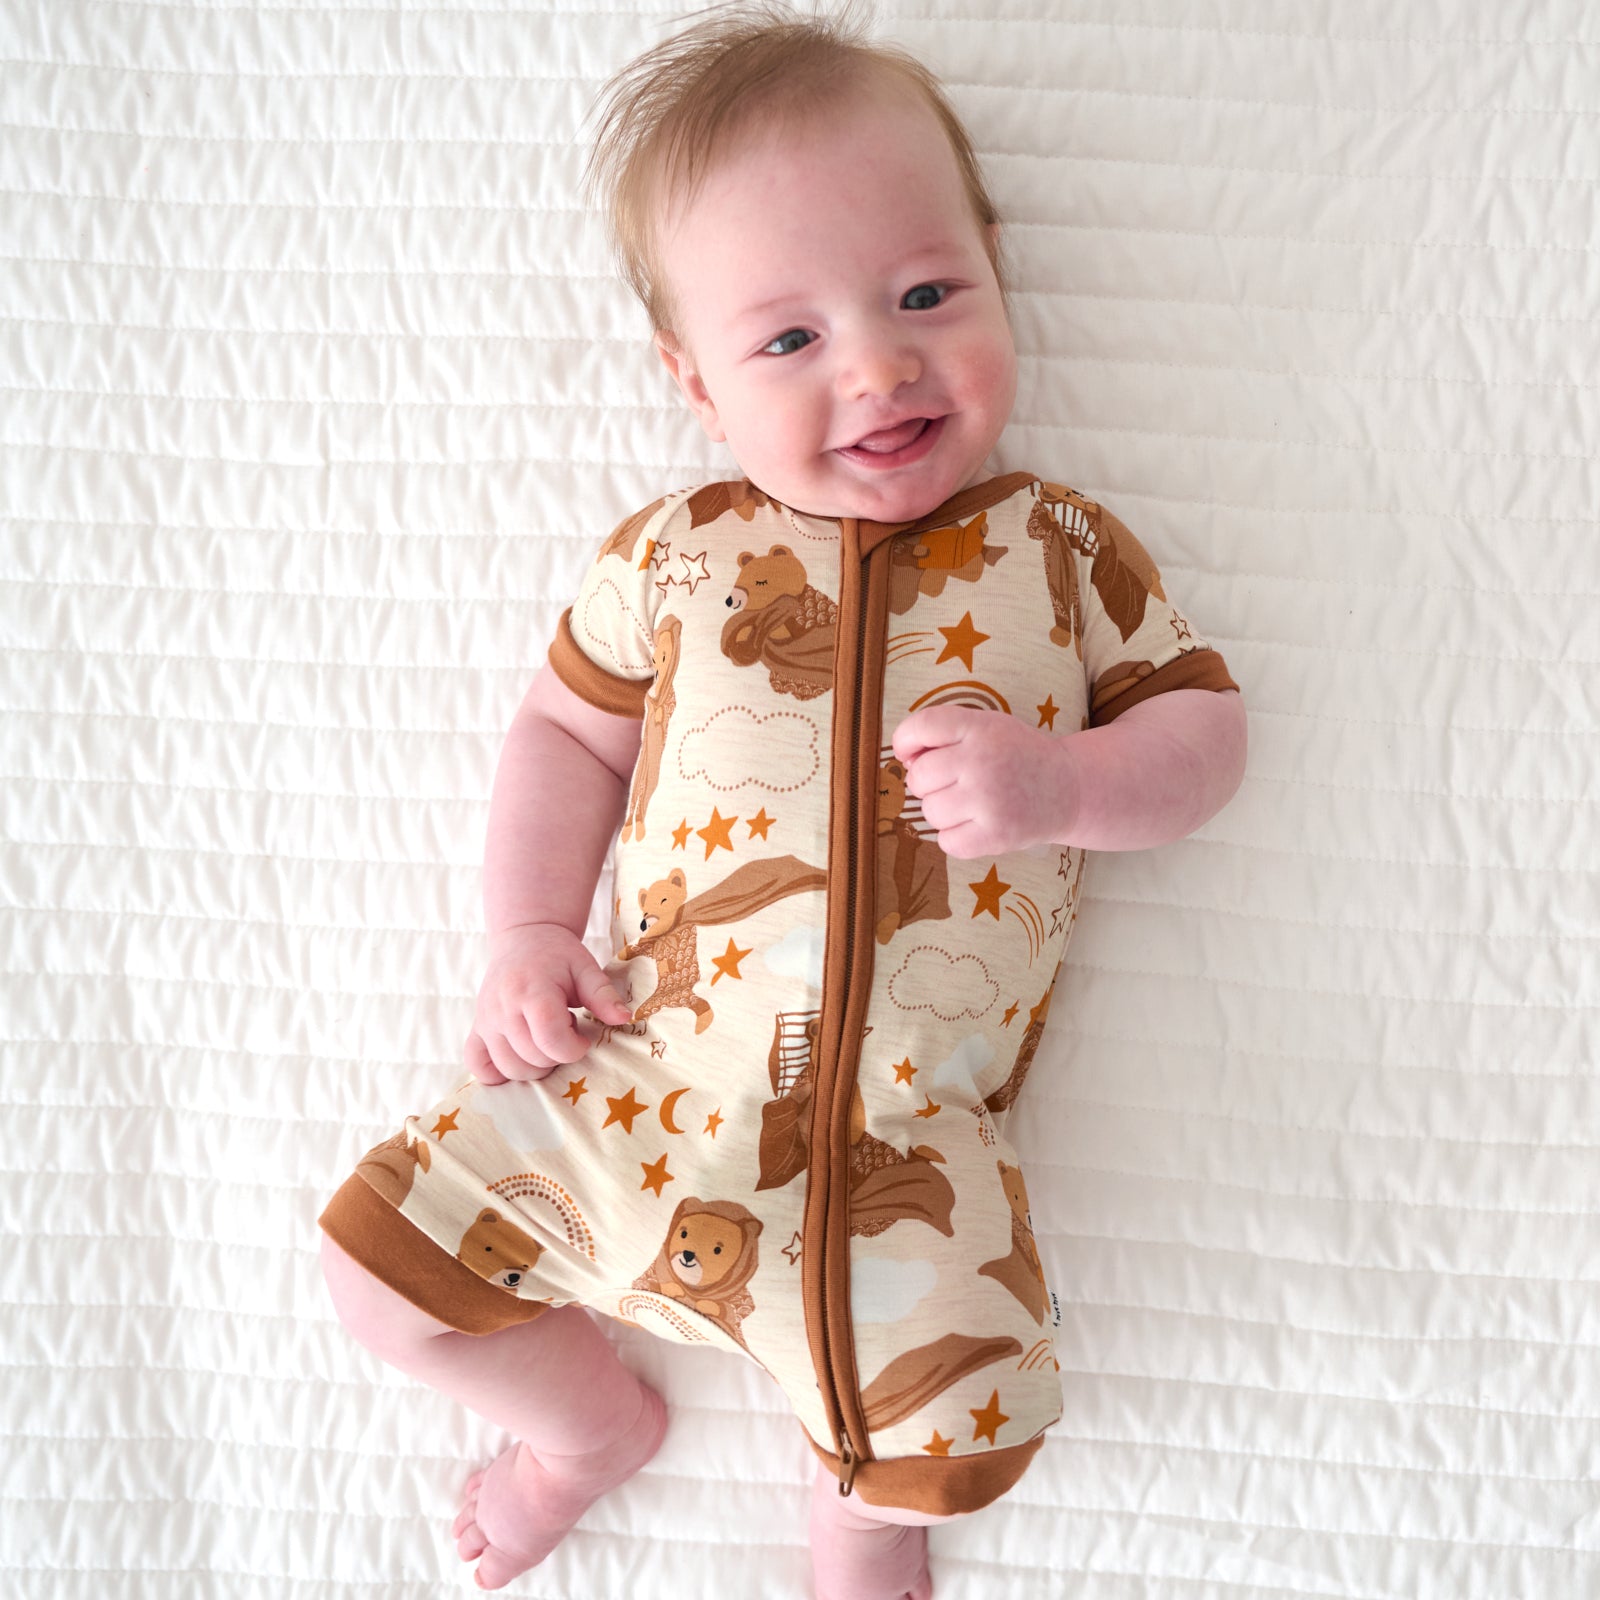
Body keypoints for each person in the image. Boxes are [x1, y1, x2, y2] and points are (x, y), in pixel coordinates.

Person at [317, 3, 1248, 1595]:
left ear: (998, 274)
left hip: (905, 1144)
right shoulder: (677, 555)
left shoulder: (1060, 549)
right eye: (790, 340)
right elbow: (563, 736)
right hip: (644, 1085)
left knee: (958, 1443)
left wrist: (1068, 782)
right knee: (375, 1273)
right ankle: (585, 1435)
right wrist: (529, 931)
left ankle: (855, 1528)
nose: (879, 365)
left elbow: (1206, 738)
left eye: (928, 295)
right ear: (697, 384)